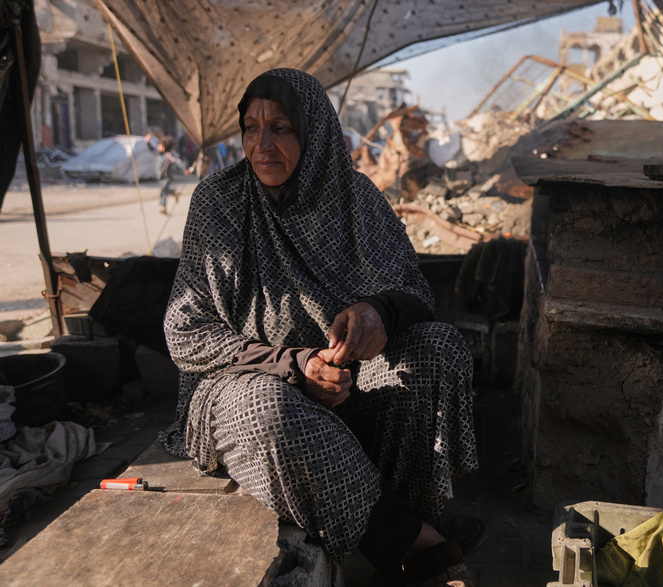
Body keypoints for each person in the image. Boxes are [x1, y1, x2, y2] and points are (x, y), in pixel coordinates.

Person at [161, 68, 480, 585]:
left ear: (315, 133)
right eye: (250, 128)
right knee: (267, 407)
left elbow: (414, 291)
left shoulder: (356, 198)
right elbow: (186, 332)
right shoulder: (219, 202)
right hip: (246, 383)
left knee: (436, 349)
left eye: (281, 128)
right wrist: (294, 365)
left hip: (346, 384)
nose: (261, 145)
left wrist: (378, 312)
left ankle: (403, 513)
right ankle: (417, 543)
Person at [146, 132, 190, 215]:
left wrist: (185, 168)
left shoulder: (168, 155)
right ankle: (174, 193)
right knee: (165, 190)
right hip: (159, 177)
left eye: (160, 145)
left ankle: (164, 208)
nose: (158, 147)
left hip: (167, 177)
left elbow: (177, 161)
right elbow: (151, 150)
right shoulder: (158, 154)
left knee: (163, 190)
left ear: (165, 146)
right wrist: (148, 142)